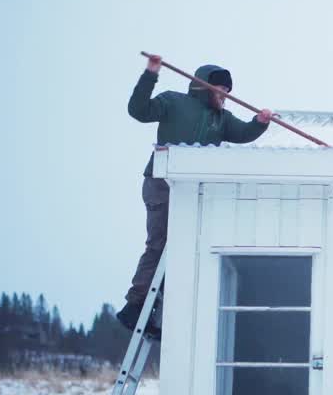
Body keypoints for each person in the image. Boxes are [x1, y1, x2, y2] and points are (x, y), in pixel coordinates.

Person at [116, 54, 273, 338]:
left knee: (183, 249)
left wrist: (260, 122)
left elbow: (243, 132)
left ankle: (157, 307)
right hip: (161, 184)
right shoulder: (174, 102)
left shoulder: (221, 119)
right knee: (160, 244)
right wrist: (150, 74)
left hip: (191, 191)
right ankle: (135, 305)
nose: (225, 96)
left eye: (228, 92)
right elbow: (137, 110)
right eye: (221, 90)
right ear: (204, 87)